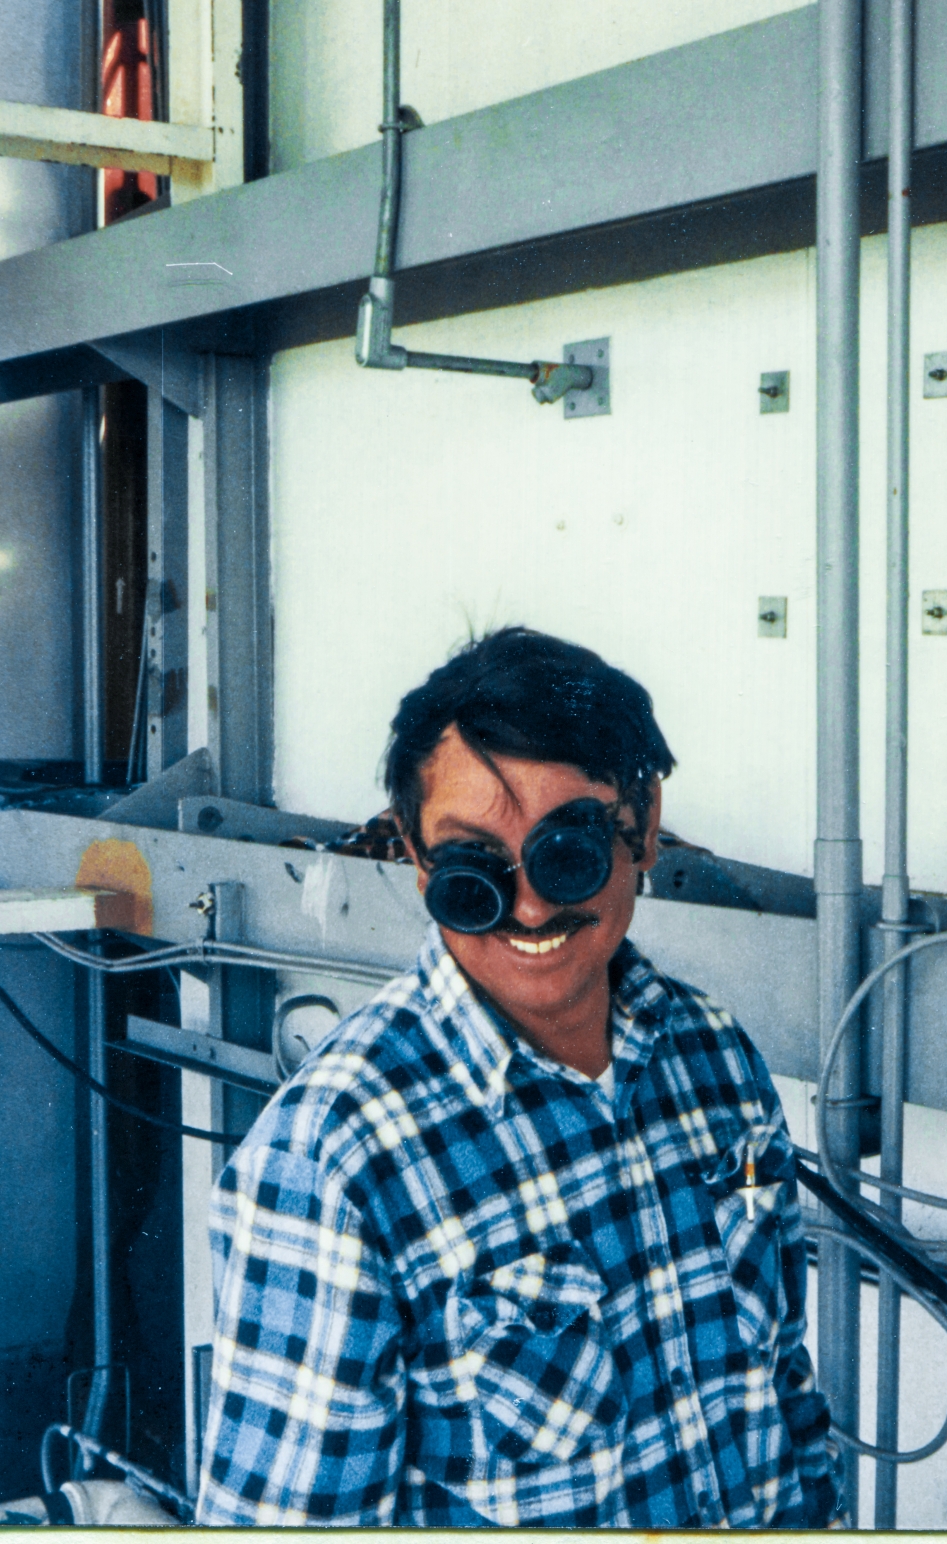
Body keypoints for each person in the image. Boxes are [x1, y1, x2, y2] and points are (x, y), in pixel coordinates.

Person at [196, 627, 844, 1528]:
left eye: (567, 849)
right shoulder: (333, 1163)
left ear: (645, 826)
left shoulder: (716, 1062)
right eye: (473, 866)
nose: (531, 905)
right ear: (419, 861)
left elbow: (783, 1394)